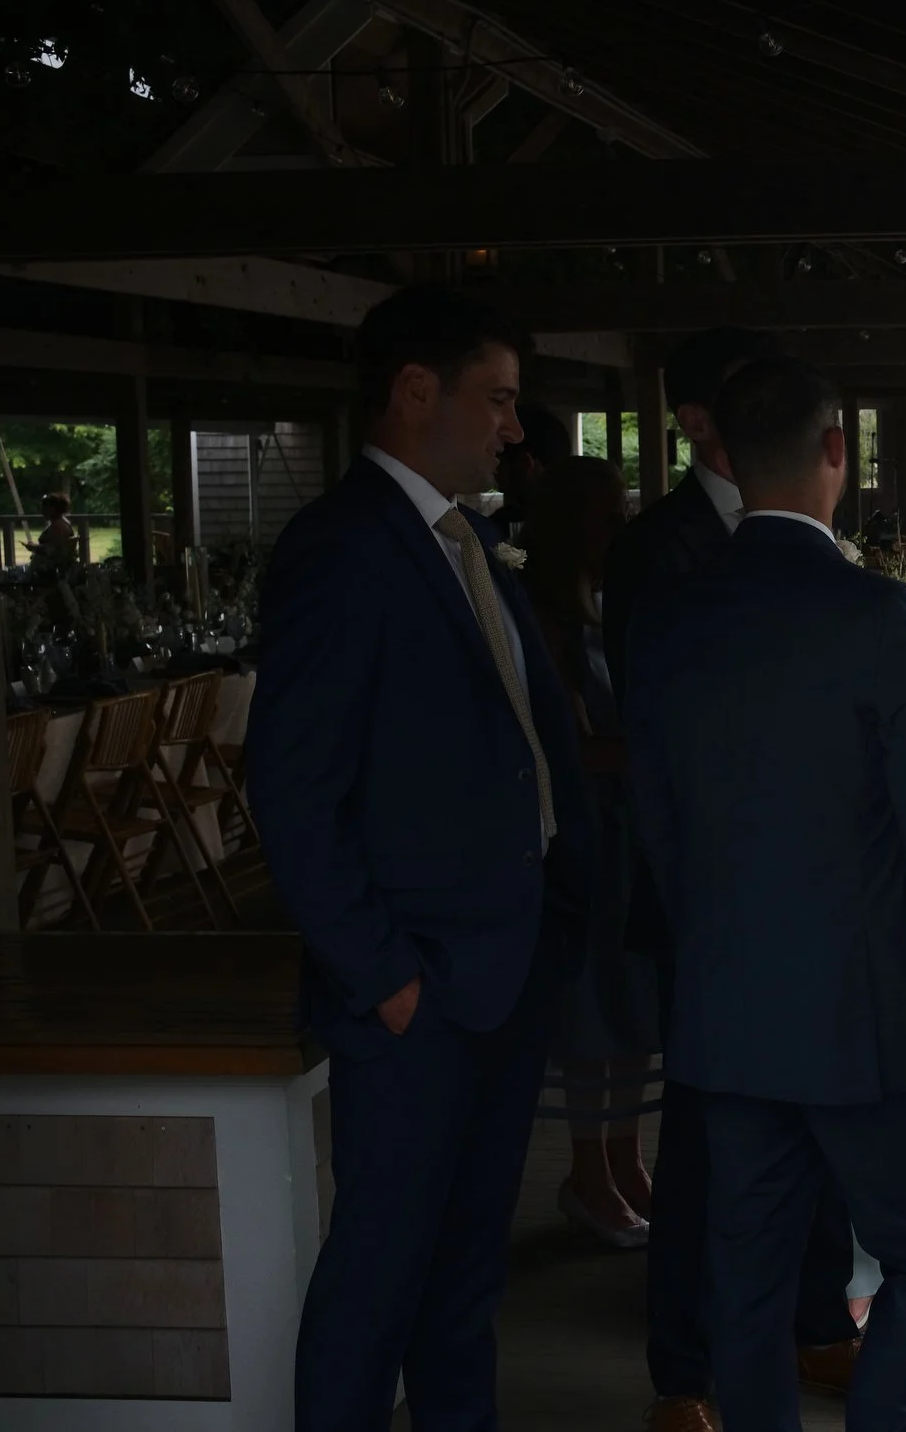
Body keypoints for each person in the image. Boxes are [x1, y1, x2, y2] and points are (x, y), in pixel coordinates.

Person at [628, 355, 906, 1432]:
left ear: (727, 462)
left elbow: (656, 831)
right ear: (835, 451)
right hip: (879, 1022)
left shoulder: (668, 626)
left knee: (744, 1283)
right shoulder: (884, 620)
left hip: (728, 1014)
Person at [246, 285, 590, 1432]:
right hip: (419, 988)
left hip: (504, 966)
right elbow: (293, 789)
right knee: (378, 1280)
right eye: (496, 399)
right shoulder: (343, 547)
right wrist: (383, 975)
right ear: (413, 392)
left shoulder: (464, 535)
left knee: (463, 1281)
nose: (512, 428)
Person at [601, 329, 864, 1430]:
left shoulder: (820, 545)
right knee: (707, 1145)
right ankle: (684, 1371)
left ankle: (815, 1322)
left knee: (813, 1125)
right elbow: (645, 748)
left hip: (808, 902)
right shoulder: (657, 548)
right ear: (700, 420)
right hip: (709, 903)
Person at [518, 455, 662, 1249]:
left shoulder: (605, 607)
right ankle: (586, 1169)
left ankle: (624, 1156)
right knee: (591, 1010)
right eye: (610, 519)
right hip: (583, 834)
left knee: (630, 1000)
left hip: (625, 829)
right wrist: (664, 746)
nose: (622, 532)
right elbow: (566, 748)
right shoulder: (546, 619)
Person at [492, 402, 571, 531]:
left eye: (497, 459)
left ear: (525, 462)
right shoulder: (587, 520)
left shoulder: (502, 526)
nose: (493, 469)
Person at [25, 493, 77, 567]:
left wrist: (34, 547)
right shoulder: (63, 522)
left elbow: (53, 550)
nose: (42, 512)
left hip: (50, 569)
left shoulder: (57, 527)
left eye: (44, 509)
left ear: (53, 509)